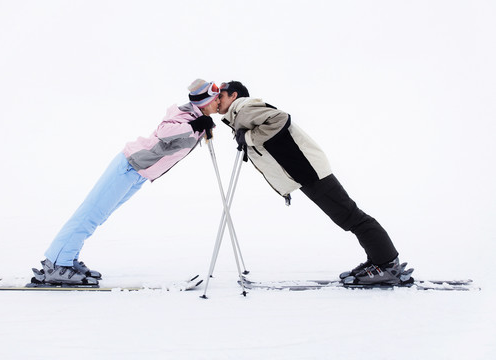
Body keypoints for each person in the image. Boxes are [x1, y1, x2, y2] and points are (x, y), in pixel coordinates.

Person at [217, 81, 412, 285]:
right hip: (303, 171)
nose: (217, 100)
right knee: (348, 217)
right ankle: (378, 261)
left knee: (350, 216)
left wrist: (247, 137)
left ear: (233, 95)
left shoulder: (244, 108)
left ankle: (388, 265)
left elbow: (280, 119)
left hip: (308, 170)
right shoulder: (241, 113)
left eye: (221, 95)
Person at [33, 79, 219, 285]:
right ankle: (56, 265)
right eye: (216, 98)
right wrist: (194, 125)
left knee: (98, 216)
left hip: (139, 174)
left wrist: (200, 126)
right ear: (205, 101)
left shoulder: (196, 117)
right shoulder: (185, 114)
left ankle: (67, 258)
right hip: (129, 166)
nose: (218, 102)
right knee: (90, 213)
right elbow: (164, 131)